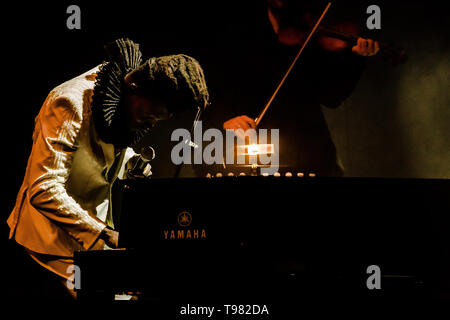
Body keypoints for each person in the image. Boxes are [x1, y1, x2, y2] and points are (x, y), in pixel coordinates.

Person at [6, 38, 210, 299]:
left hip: (95, 233)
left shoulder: (122, 101)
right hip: (49, 240)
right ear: (134, 88)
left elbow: (100, 146)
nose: (150, 125)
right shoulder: (68, 104)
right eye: (149, 118)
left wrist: (131, 161)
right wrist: (102, 232)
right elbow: (43, 189)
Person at [205, 0, 380, 176]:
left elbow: (332, 96)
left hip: (310, 152)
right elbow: (215, 89)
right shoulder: (239, 33)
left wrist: (356, 60)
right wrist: (225, 119)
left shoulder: (307, 40)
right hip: (256, 156)